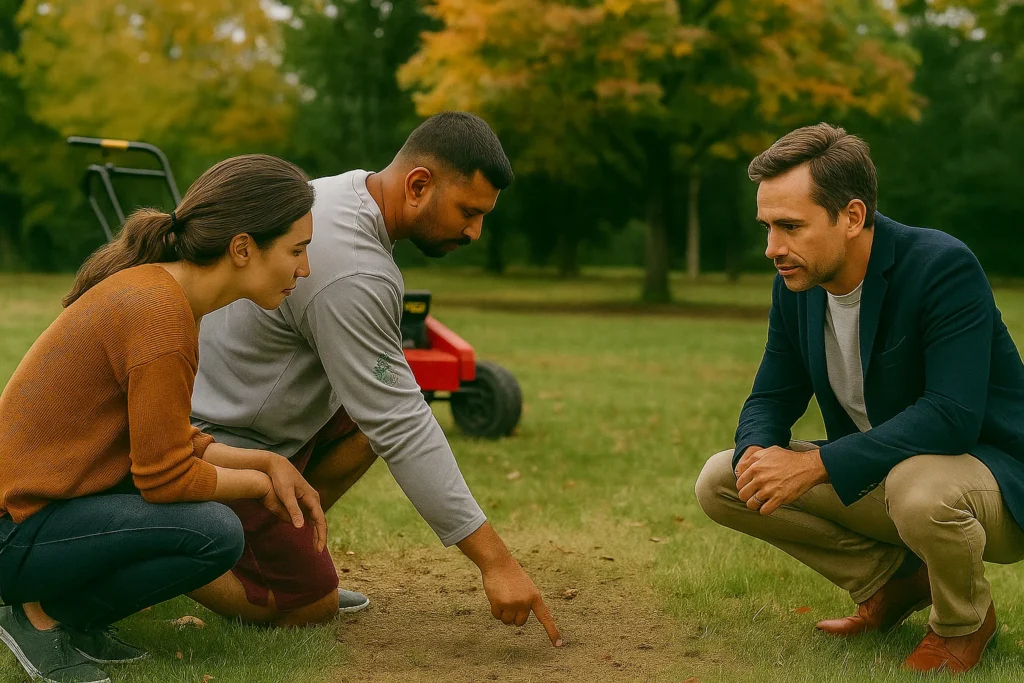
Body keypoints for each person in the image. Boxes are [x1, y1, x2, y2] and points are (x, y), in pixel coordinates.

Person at [190, 112, 563, 645]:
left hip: (257, 414)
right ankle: (179, 554)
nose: (476, 232)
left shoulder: (344, 194)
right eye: (469, 211)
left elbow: (387, 410)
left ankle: (284, 551)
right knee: (309, 607)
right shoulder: (354, 268)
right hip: (214, 439)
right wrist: (496, 564)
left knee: (370, 416)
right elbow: (402, 423)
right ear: (418, 185)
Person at [695, 123, 1024, 673]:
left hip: (995, 483)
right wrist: (758, 453)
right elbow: (771, 396)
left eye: (790, 226)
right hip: (886, 475)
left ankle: (964, 623)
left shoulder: (940, 267)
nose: (772, 248)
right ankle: (894, 584)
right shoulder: (796, 282)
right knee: (723, 480)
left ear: (851, 216)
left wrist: (817, 464)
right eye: (768, 227)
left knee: (918, 487)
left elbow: (952, 416)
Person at [0, 154, 327, 683]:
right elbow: (163, 477)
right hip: (13, 533)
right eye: (297, 250)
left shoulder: (166, 294)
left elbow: (167, 442)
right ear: (243, 248)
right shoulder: (161, 313)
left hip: (43, 515)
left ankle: (68, 617)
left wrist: (268, 462)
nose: (304, 268)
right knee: (215, 533)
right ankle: (41, 617)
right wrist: (255, 487)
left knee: (212, 522)